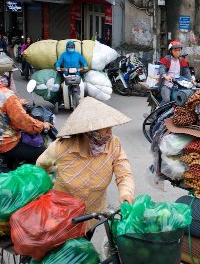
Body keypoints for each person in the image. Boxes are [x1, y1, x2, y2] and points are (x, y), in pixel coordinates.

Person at [36, 97, 135, 228]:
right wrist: (47, 191)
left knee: (87, 237)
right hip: (63, 214)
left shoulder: (113, 144)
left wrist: (126, 193)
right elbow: (40, 167)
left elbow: (124, 173)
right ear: (90, 132)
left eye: (111, 128)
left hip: (94, 213)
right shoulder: (61, 147)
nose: (110, 134)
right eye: (106, 130)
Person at [0, 54, 52, 169]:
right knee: (43, 153)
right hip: (3, 143)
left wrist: (18, 102)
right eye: (11, 73)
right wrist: (42, 126)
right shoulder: (8, 97)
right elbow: (24, 123)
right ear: (5, 74)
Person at [159, 40, 192, 104]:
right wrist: (165, 75)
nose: (177, 52)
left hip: (178, 84)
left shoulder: (182, 60)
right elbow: (162, 68)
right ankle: (158, 113)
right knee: (166, 100)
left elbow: (186, 71)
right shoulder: (167, 59)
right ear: (171, 51)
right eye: (175, 50)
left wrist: (191, 80)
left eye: (179, 50)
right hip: (167, 84)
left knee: (184, 101)